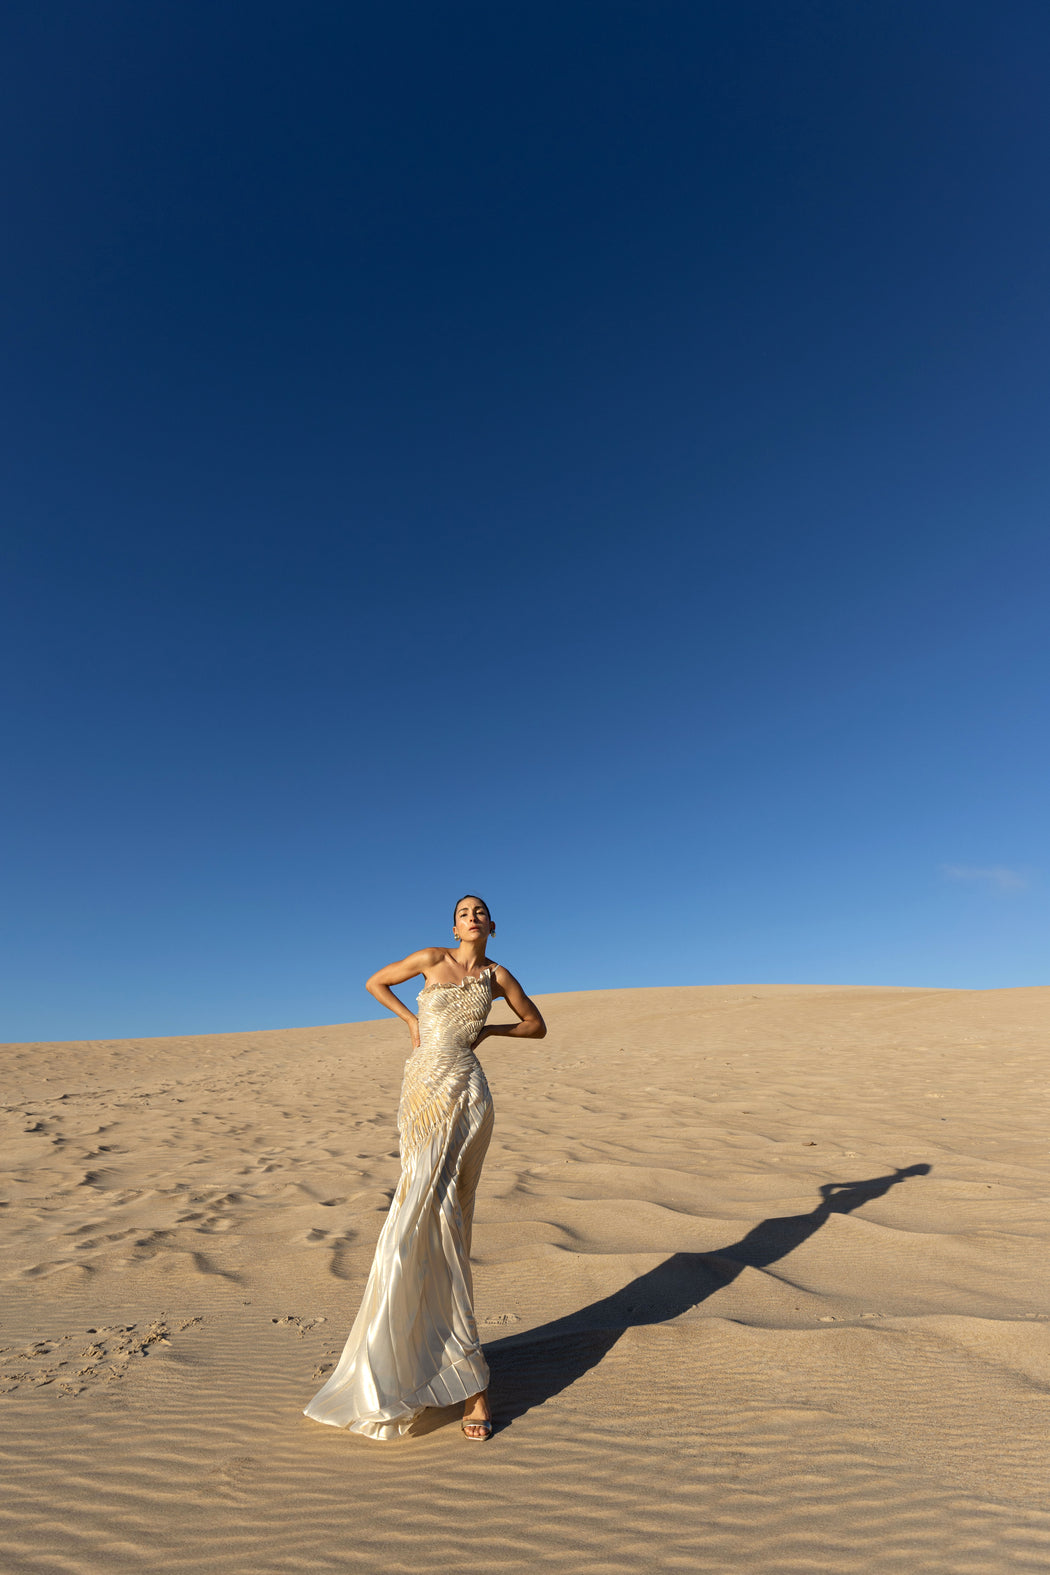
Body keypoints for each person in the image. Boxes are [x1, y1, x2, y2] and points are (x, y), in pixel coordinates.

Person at [303, 894, 546, 1441]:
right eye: (464, 912)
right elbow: (374, 982)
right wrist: (411, 1019)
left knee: (452, 1225)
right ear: (453, 924)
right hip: (423, 1088)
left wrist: (489, 1032)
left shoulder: (497, 974)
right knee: (415, 1218)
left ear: (492, 924)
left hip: (468, 1090)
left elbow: (536, 1025)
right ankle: (417, 1360)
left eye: (480, 912)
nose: (472, 918)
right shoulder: (430, 958)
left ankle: (474, 1385)